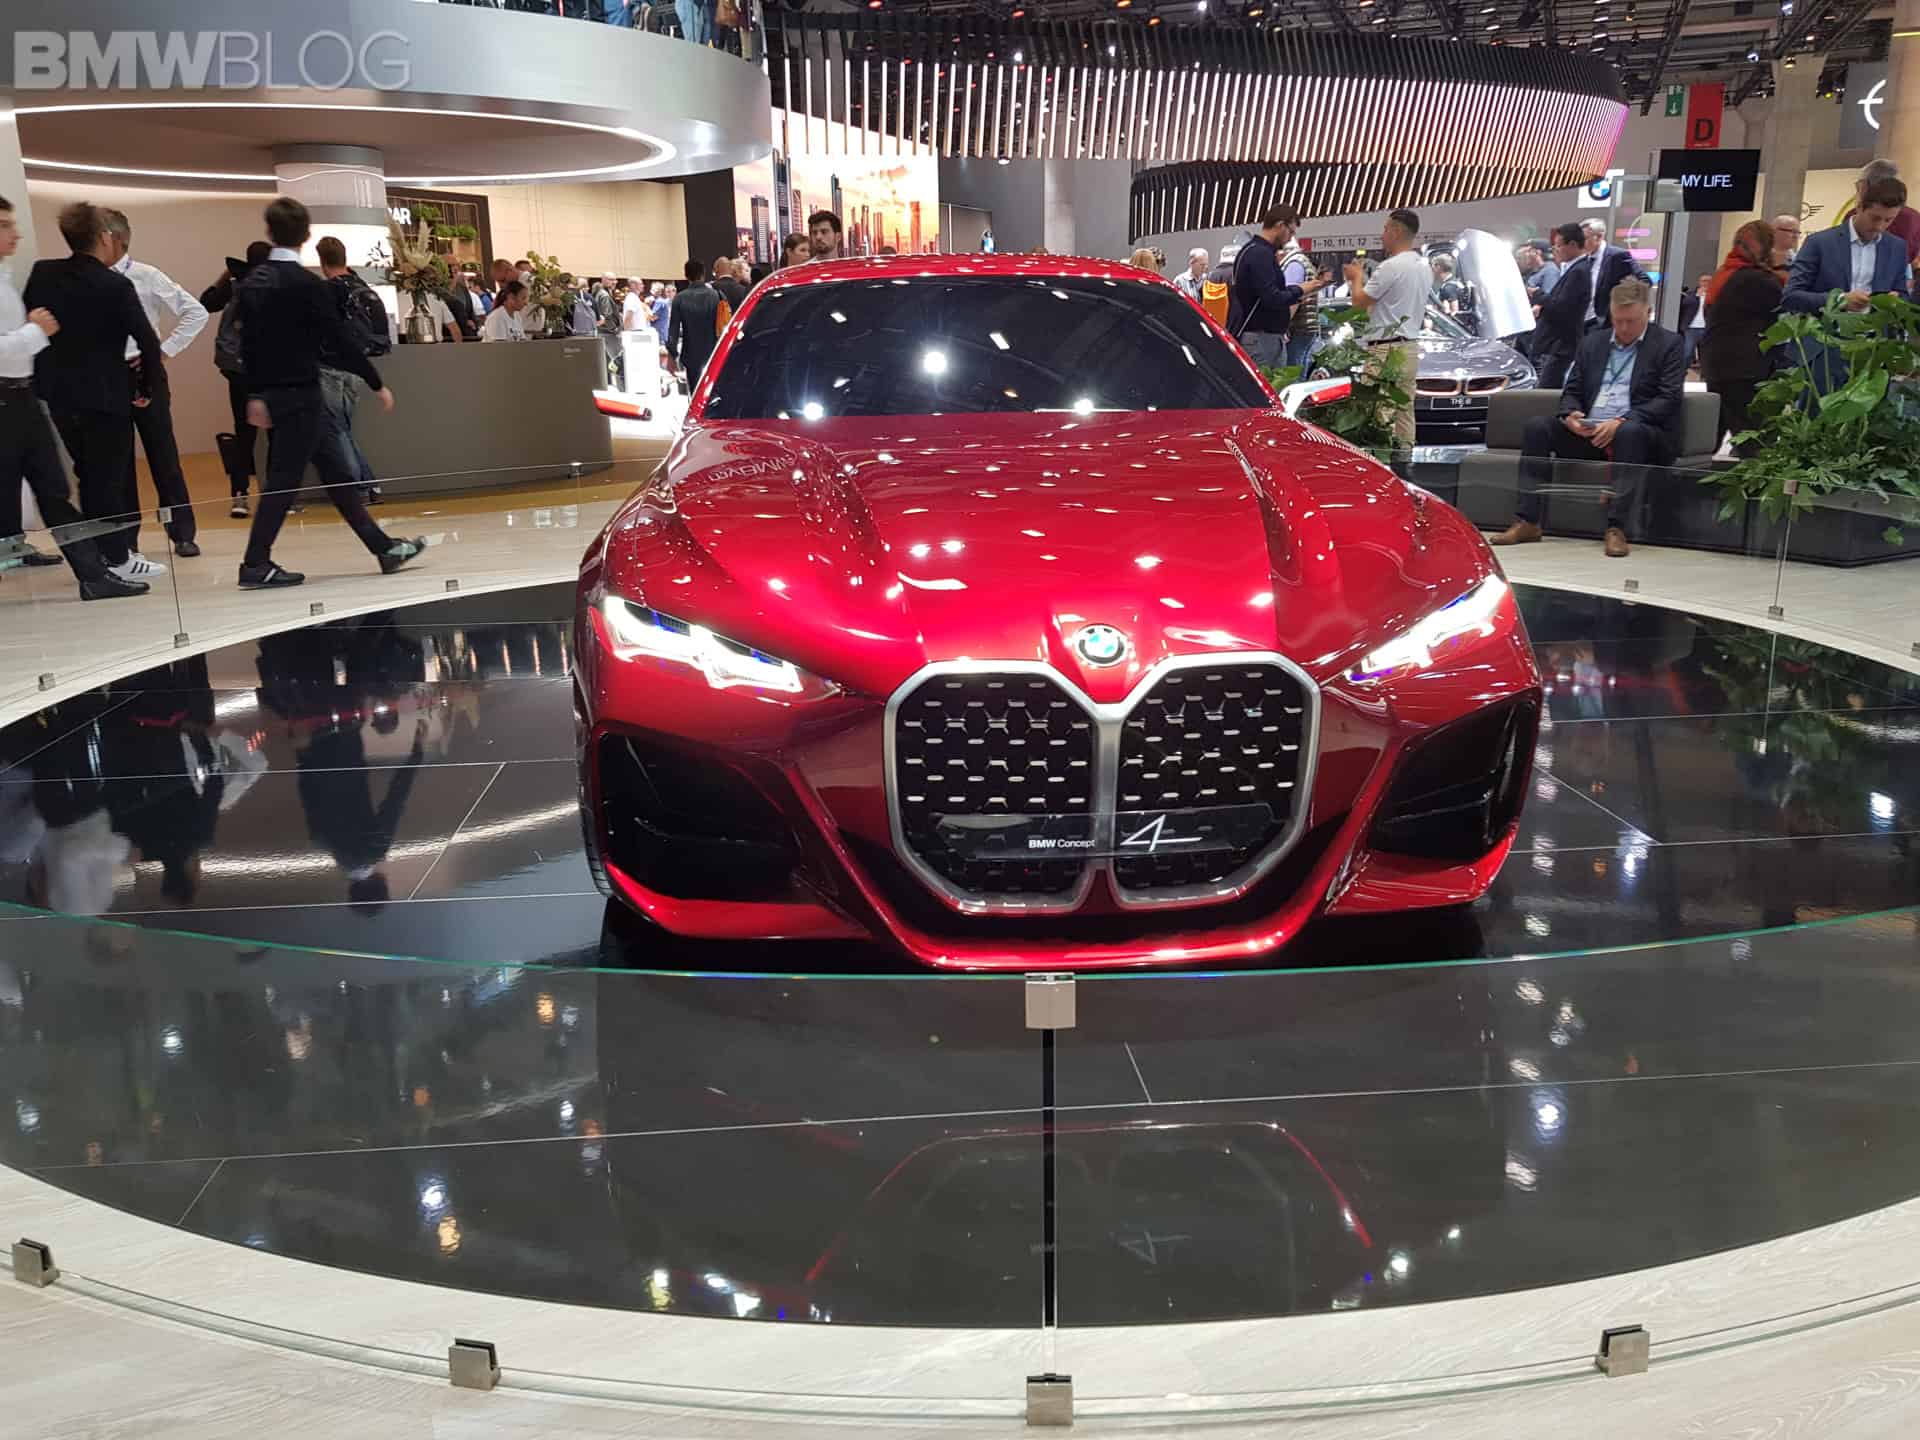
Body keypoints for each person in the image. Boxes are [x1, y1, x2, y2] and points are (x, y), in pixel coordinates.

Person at [231, 195, 425, 590]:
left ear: (270, 232)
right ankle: (255, 562)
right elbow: (338, 341)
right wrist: (375, 381)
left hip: (281, 396)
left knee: (336, 474)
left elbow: (247, 346)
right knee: (285, 480)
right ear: (305, 235)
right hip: (303, 394)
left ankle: (383, 548)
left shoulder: (253, 283)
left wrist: (256, 394)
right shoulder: (308, 286)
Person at [0, 194, 146, 601]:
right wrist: (35, 332)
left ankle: (93, 574)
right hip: (7, 400)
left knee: (54, 489)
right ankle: (94, 572)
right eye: (4, 225)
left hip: (22, 398)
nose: (15, 234)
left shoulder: (11, 278)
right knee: (48, 490)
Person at [24, 201, 169, 583]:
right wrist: (147, 387)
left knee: (86, 473)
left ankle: (102, 556)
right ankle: (116, 557)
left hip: (59, 395)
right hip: (106, 395)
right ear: (104, 237)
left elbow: (34, 323)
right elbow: (147, 342)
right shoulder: (115, 284)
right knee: (106, 480)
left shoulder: (43, 273)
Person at [1490, 278, 1684, 560]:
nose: (1623, 328)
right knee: (1538, 427)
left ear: (1648, 313)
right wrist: (1570, 414)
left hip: (1638, 432)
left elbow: (1668, 398)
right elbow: (1573, 389)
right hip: (1591, 429)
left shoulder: (1668, 344)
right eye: (1618, 320)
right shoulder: (1594, 342)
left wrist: (1622, 420)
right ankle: (1527, 521)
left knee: (1628, 432)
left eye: (1631, 321)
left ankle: (1616, 527)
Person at [101, 209, 208, 560]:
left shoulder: (146, 275)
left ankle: (182, 533)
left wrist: (163, 351)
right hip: (107, 377)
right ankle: (127, 539)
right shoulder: (90, 280)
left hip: (145, 371)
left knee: (164, 455)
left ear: (115, 239)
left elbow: (196, 312)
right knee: (118, 462)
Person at [1784, 175, 1913, 391]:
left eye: (1889, 220)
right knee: (1817, 410)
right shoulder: (1820, 243)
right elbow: (1791, 296)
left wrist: (1895, 301)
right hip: (1823, 348)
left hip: (1873, 351)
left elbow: (1903, 295)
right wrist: (1840, 300)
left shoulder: (1897, 247)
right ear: (1859, 207)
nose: (1880, 226)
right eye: (1875, 218)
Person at [1340, 208, 1431, 451]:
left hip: (1385, 349)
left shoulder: (1390, 267)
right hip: (1409, 346)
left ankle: (1382, 462)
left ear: (1396, 231)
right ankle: (1405, 460)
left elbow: (1359, 303)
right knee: (1404, 410)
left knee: (1379, 410)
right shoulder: (1424, 266)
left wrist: (1355, 277)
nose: (1382, 234)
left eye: (1385, 229)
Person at [315, 236, 392, 510]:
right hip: (357, 369)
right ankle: (370, 485)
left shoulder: (327, 290)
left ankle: (358, 489)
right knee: (343, 428)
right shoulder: (361, 287)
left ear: (322, 262)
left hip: (330, 368)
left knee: (337, 430)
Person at [1699, 219, 1785, 452]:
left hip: (1718, 366)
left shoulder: (1725, 272)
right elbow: (1788, 297)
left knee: (1708, 440)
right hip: (1744, 370)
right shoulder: (1754, 279)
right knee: (1754, 444)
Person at [203, 240, 272, 519]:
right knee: (275, 433)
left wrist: (226, 276)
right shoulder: (274, 286)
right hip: (268, 369)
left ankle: (240, 496)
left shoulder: (235, 284)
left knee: (244, 433)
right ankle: (276, 496)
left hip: (238, 370)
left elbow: (205, 303)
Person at [1229, 204, 1326, 370]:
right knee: (1269, 384)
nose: (1290, 238)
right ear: (1280, 225)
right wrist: (1301, 289)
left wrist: (1298, 294)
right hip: (1261, 339)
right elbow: (1272, 297)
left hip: (1262, 337)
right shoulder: (1260, 254)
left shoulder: (1254, 251)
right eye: (1291, 232)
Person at [1528, 222, 1593, 390]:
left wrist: (1537, 295)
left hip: (1562, 344)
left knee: (1546, 392)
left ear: (1572, 245)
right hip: (1558, 344)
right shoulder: (1573, 268)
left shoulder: (1579, 271)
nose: (1555, 250)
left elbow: (1561, 308)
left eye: (1558, 246)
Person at [1854, 159, 1920, 270]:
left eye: (1859, 187)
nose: (1880, 226)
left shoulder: (1910, 220)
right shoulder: (1913, 217)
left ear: (1865, 187)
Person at [1581, 218, 1645, 331]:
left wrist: (1622, 305)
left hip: (1604, 323)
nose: (1581, 243)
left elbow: (1643, 280)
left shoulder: (1617, 256)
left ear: (1599, 237)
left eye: (1585, 238)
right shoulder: (1584, 259)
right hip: (1583, 321)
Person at [667, 258, 722, 389]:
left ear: (686, 276)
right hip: (714, 352)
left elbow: (673, 330)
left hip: (691, 354)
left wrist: (672, 355)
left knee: (695, 390)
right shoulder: (716, 295)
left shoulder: (679, 298)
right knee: (714, 390)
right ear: (703, 274)